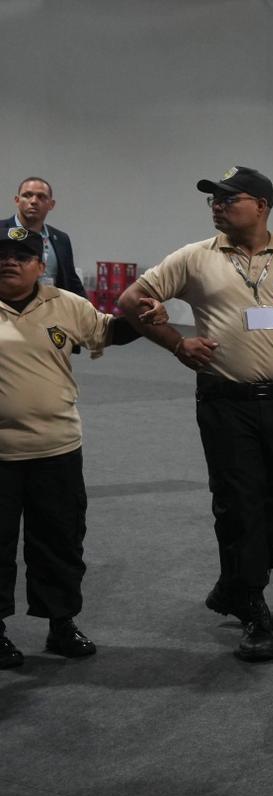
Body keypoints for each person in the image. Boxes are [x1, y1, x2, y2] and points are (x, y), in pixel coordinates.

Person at [117, 165, 273, 663]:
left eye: (229, 198)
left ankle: (236, 584)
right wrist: (177, 343)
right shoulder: (193, 258)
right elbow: (130, 300)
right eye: (213, 199)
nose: (217, 206)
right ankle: (251, 607)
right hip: (225, 404)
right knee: (240, 507)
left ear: (262, 206)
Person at [0, 227, 162, 669]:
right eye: (2, 255)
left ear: (40, 264)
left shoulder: (66, 305)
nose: (10, 261)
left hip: (57, 448)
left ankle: (61, 623)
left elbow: (109, 332)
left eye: (22, 255)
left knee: (60, 541)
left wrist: (147, 317)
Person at [5, 177, 87, 297]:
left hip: (51, 310)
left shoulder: (61, 239)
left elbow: (71, 282)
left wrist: (90, 312)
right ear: (17, 200)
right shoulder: (2, 231)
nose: (33, 201)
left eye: (41, 197)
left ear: (51, 205)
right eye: (27, 195)